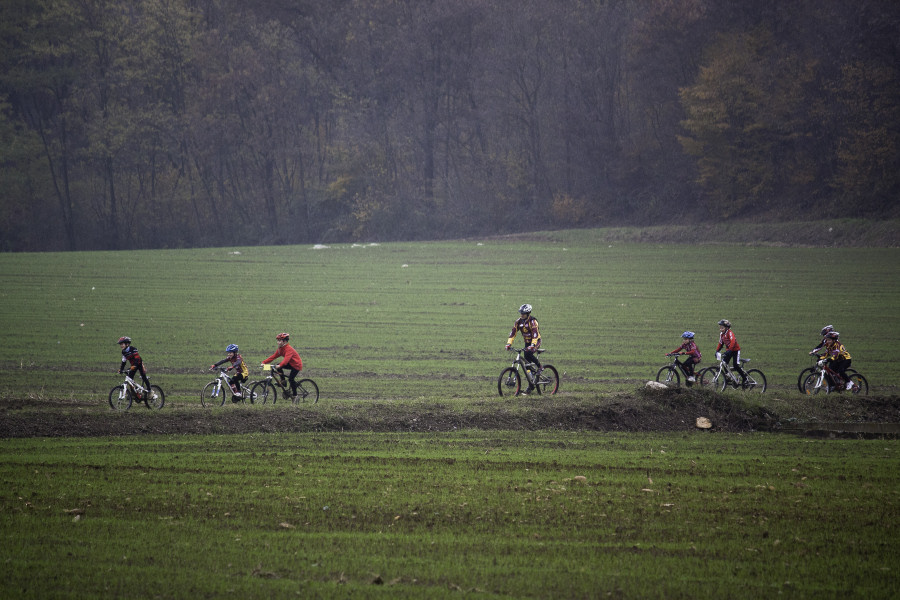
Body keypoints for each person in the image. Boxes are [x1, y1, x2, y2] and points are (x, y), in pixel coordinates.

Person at [505, 304, 542, 394]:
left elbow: (535, 334)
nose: (521, 315)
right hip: (527, 342)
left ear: (528, 313)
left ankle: (540, 367)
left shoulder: (533, 322)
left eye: (523, 313)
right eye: (520, 313)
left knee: (528, 353)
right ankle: (531, 385)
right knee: (527, 364)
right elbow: (513, 333)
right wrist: (509, 344)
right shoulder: (518, 322)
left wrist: (532, 345)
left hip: (536, 341)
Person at [262, 332, 303, 398]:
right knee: (278, 366)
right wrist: (264, 362)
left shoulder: (289, 349)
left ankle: (295, 396)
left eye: (279, 341)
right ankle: (283, 381)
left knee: (291, 379)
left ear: (285, 341)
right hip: (290, 363)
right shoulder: (280, 349)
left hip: (296, 365)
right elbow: (273, 357)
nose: (278, 342)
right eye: (277, 341)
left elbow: (286, 360)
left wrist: (280, 365)